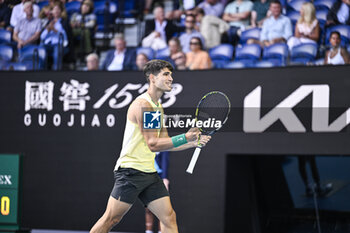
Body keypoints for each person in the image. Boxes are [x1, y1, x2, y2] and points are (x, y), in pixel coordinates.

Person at [90, 59, 211, 233]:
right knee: (111, 219)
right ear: (153, 78)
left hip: (149, 174)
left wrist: (191, 142)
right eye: (166, 74)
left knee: (169, 217)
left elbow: (165, 143)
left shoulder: (157, 107)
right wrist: (185, 136)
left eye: (171, 75)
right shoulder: (144, 105)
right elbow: (153, 144)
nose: (171, 79)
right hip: (130, 172)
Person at [145, 151, 170, 233]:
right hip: (147, 177)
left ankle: (160, 230)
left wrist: (165, 178)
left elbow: (165, 161)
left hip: (160, 178)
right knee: (148, 207)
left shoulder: (163, 146)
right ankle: (148, 231)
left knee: (162, 207)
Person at [40, 2, 68, 70]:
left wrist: (55, 30)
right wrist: (48, 30)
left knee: (57, 51)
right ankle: (41, 71)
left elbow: (65, 37)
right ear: (52, 11)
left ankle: (56, 72)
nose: (56, 11)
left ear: (61, 11)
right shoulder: (48, 22)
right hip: (48, 44)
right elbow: (42, 37)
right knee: (41, 48)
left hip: (58, 44)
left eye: (58, 9)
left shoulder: (64, 22)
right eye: (54, 9)